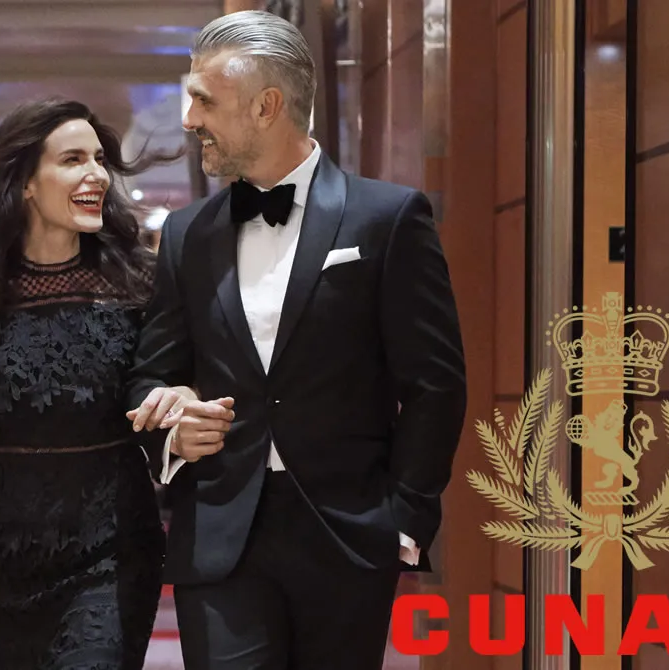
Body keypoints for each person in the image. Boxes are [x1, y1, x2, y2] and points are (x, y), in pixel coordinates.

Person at [128, 10, 468, 669]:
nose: (190, 119)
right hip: (222, 535)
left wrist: (404, 517)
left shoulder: (389, 217)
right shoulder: (185, 235)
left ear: (266, 106)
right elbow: (149, 375)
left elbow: (434, 381)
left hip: (348, 532)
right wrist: (171, 429)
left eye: (203, 99)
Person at [0, 99, 207, 669]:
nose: (95, 174)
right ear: (24, 181)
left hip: (112, 550)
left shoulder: (140, 283)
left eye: (99, 159)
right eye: (73, 159)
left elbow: (174, 383)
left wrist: (185, 400)